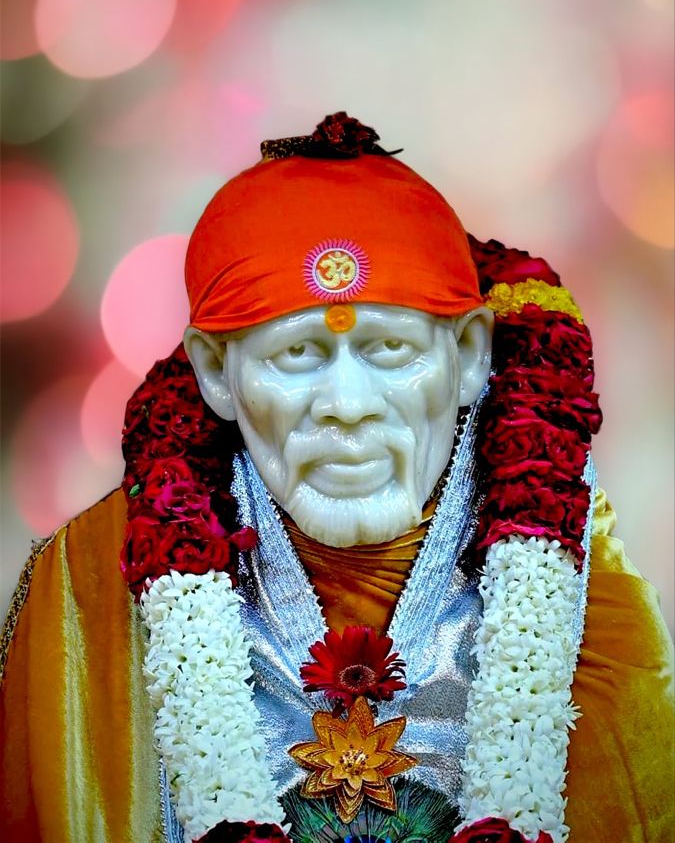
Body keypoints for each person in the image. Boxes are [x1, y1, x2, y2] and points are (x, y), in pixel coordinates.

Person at [1, 113, 673, 843]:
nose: (348, 407)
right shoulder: (88, 582)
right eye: (296, 357)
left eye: (389, 349)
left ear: (471, 356)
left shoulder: (569, 566)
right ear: (215, 373)